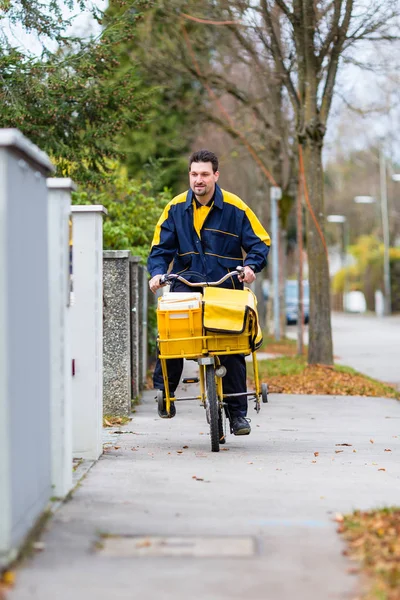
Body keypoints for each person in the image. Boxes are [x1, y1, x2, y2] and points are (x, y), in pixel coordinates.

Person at [147, 149, 270, 438]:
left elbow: (260, 243)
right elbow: (159, 249)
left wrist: (251, 267)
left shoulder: (235, 207)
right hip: (186, 283)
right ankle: (165, 392)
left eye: (204, 174)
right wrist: (157, 273)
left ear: (216, 175)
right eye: (194, 174)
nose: (198, 180)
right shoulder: (175, 208)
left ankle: (238, 415)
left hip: (224, 285)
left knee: (233, 348)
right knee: (171, 333)